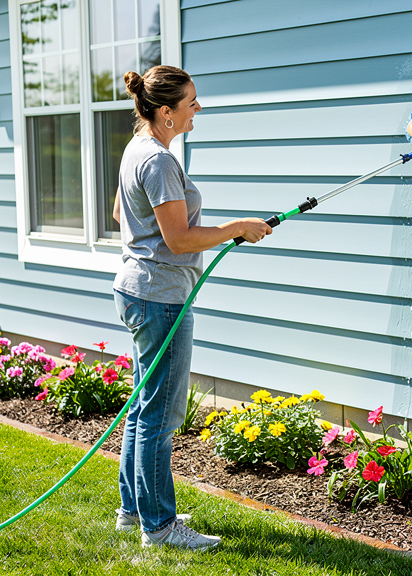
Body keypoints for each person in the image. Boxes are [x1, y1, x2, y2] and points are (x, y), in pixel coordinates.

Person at [111, 65, 271, 551]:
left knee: (143, 406)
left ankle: (134, 511)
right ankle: (159, 527)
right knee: (160, 416)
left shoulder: (137, 148)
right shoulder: (158, 161)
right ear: (166, 112)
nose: (197, 108)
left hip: (138, 289)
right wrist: (237, 227)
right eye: (191, 102)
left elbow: (120, 213)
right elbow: (179, 239)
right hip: (160, 297)